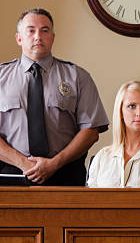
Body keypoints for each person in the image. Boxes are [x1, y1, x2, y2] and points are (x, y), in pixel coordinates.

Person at [0, 8, 108, 185]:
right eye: (31, 30)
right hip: (12, 174)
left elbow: (90, 131)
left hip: (64, 173)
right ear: (19, 38)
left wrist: (53, 164)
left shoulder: (78, 77)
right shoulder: (1, 78)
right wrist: (23, 163)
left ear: (52, 37)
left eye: (45, 30)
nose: (38, 36)